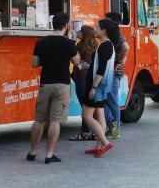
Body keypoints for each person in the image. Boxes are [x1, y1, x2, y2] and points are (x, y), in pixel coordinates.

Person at [27, 13, 80, 164]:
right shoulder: (69, 43)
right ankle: (49, 154)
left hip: (45, 84)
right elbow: (77, 61)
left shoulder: (41, 42)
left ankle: (32, 152)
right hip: (62, 85)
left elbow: (34, 63)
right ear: (66, 26)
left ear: (52, 25)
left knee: (39, 120)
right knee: (55, 121)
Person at [81, 19, 116, 158]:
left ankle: (105, 143)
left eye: (97, 28)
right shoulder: (107, 46)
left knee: (86, 116)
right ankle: (99, 146)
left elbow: (101, 69)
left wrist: (93, 87)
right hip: (101, 86)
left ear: (104, 30)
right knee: (99, 114)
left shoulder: (104, 47)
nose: (94, 30)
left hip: (97, 86)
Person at [69, 25, 97, 141]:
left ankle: (85, 132)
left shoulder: (79, 46)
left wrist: (72, 40)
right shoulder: (95, 46)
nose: (78, 32)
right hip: (91, 78)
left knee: (85, 107)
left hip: (81, 78)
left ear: (84, 34)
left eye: (80, 31)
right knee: (90, 106)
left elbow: (74, 61)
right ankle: (95, 132)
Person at [104, 12, 130, 139]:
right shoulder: (111, 34)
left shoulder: (117, 34)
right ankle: (112, 127)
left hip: (114, 73)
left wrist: (119, 63)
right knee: (104, 101)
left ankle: (115, 130)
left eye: (107, 20)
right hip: (111, 72)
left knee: (112, 102)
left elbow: (126, 47)